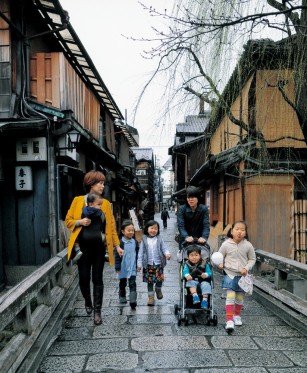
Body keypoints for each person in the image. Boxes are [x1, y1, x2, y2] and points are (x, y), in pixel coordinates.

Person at [65, 170, 123, 326]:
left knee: (97, 278)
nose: (103, 186)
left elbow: (111, 227)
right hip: (82, 250)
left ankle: (97, 312)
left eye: (104, 183)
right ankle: (87, 301)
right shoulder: (78, 201)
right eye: (100, 183)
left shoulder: (105, 204)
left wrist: (117, 245)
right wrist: (79, 222)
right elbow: (68, 220)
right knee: (84, 278)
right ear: (91, 184)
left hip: (98, 249)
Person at [218, 220, 256, 332]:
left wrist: (246, 268)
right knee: (230, 297)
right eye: (237, 229)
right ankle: (229, 320)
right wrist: (220, 263)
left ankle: (237, 315)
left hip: (243, 276)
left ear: (245, 233)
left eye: (242, 230)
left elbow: (252, 259)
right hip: (230, 274)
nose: (239, 232)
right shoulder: (226, 244)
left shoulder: (248, 245)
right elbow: (219, 256)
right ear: (232, 231)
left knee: (239, 298)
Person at [137, 219, 171, 306]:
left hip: (158, 263)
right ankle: (151, 298)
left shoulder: (159, 238)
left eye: (156, 229)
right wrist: (139, 264)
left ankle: (158, 289)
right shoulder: (144, 239)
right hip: (148, 264)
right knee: (150, 282)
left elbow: (164, 248)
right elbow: (141, 252)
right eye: (151, 228)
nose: (153, 230)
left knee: (159, 279)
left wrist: (167, 254)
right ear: (147, 229)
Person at [114, 219, 138, 310]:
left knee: (132, 283)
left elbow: (137, 253)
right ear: (123, 231)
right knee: (122, 283)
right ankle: (122, 296)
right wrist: (117, 267)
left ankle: (133, 301)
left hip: (132, 266)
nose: (131, 232)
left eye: (132, 230)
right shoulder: (120, 243)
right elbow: (117, 256)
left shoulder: (135, 242)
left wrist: (138, 265)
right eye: (129, 230)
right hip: (123, 267)